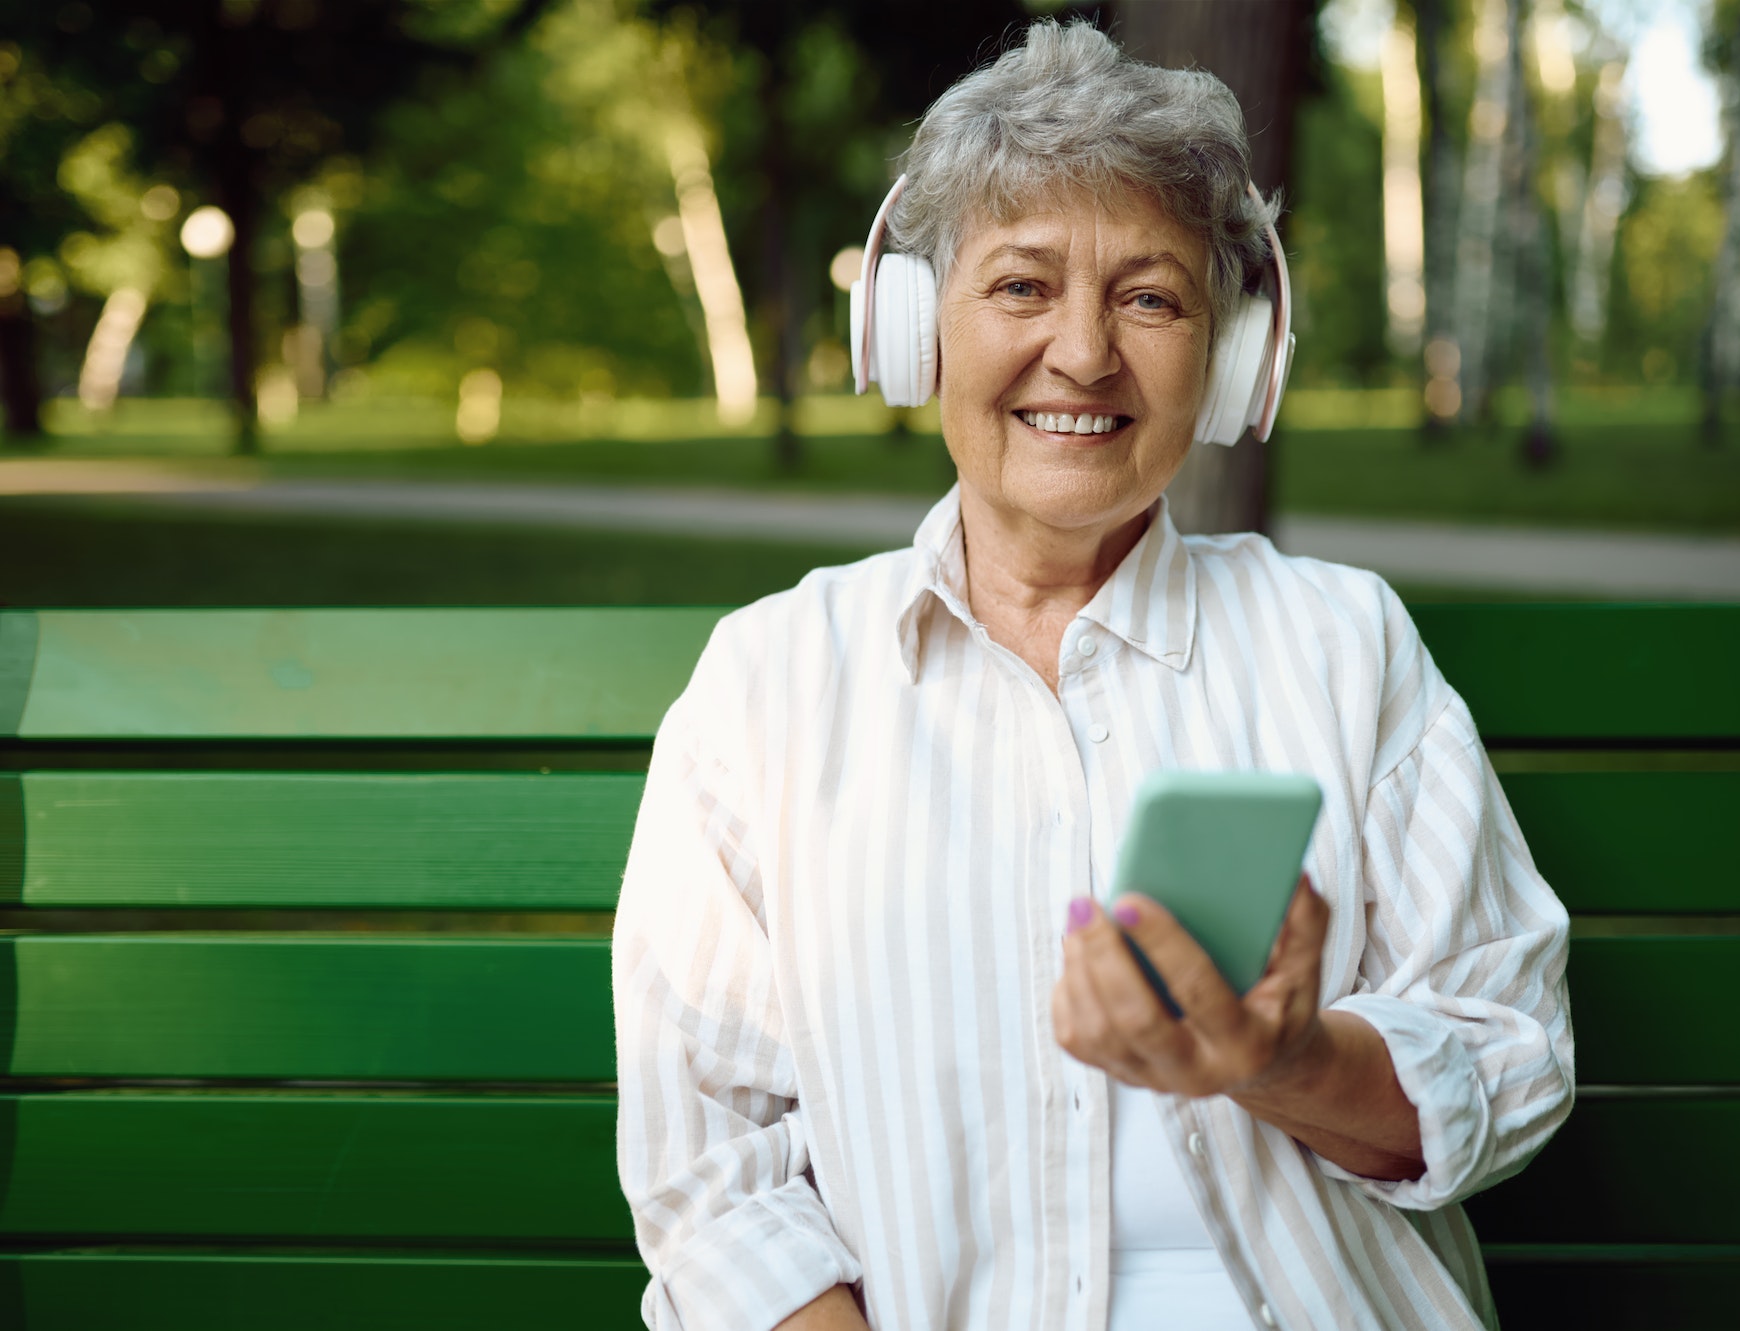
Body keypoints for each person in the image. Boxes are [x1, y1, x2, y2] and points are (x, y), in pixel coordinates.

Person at [613, 20, 1572, 1331]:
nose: (1083, 355)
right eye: (1020, 286)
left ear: (1232, 360)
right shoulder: (769, 687)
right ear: (912, 331)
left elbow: (1509, 1053)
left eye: (1151, 296)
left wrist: (1288, 1063)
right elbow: (712, 1185)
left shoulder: (1341, 645)